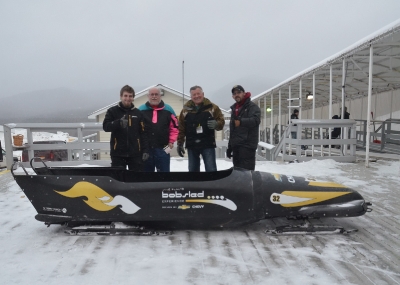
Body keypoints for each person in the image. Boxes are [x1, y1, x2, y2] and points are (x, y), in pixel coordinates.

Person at [177, 85, 225, 172]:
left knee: (211, 170)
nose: (196, 96)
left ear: (203, 94)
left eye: (198, 94)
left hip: (208, 144)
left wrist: (217, 124)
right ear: (191, 96)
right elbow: (181, 127)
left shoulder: (212, 108)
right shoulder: (185, 110)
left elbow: (221, 122)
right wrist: (180, 143)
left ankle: (212, 185)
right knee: (193, 171)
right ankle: (194, 185)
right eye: (194, 95)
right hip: (192, 145)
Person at [103, 85, 149, 171]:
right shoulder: (112, 111)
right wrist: (118, 123)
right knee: (118, 180)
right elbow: (106, 127)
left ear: (133, 98)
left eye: (130, 96)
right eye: (125, 96)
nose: (128, 98)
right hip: (118, 154)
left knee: (135, 180)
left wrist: (145, 150)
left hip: (135, 154)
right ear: (121, 96)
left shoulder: (139, 113)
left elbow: (143, 133)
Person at [138, 87, 179, 172]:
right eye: (152, 94)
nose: (154, 96)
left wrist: (171, 141)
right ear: (148, 96)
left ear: (160, 96)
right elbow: (136, 128)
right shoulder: (141, 110)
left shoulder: (168, 109)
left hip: (164, 148)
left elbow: (175, 127)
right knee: (146, 177)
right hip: (146, 149)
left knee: (164, 175)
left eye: (156, 94)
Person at [226, 85, 261, 171]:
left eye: (239, 92)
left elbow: (256, 120)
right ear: (232, 96)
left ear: (244, 93)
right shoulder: (234, 109)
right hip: (236, 146)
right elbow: (233, 130)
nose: (236, 95)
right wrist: (230, 147)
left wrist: (241, 121)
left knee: (247, 174)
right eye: (234, 93)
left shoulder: (252, 107)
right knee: (237, 174)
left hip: (247, 146)